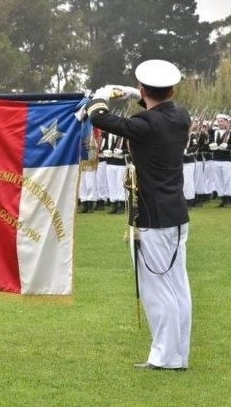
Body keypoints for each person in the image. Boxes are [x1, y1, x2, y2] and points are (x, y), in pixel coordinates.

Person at [85, 59, 191, 371]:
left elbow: (99, 116)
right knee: (178, 287)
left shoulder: (145, 125)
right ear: (171, 90)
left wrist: (104, 94)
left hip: (153, 216)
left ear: (145, 90)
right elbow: (155, 108)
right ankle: (177, 354)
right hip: (175, 212)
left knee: (158, 290)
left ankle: (165, 357)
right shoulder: (179, 116)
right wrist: (137, 94)